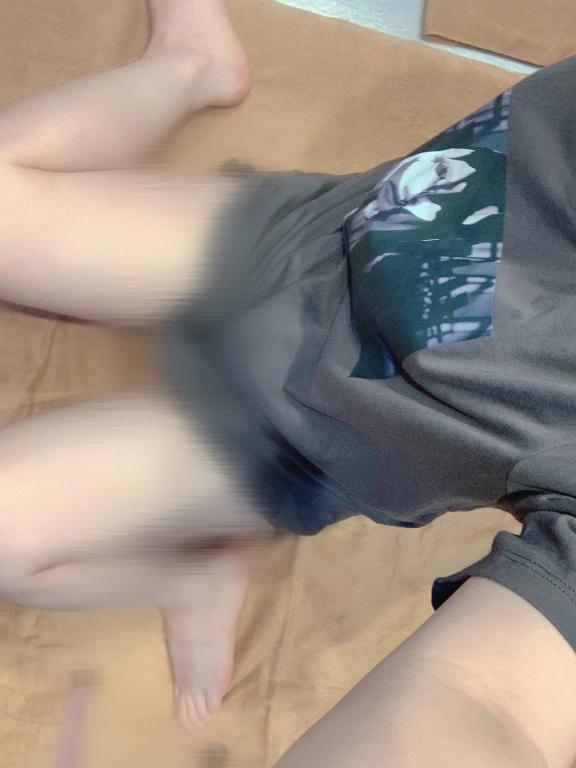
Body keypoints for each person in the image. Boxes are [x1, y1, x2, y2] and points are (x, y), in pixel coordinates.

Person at [0, 2, 575, 765]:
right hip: (320, 237)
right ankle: (190, 69)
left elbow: (490, 708)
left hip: (288, 435)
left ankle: (190, 567)